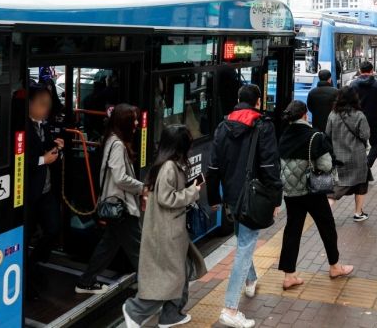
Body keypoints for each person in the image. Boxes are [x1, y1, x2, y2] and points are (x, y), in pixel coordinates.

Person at [207, 84, 282, 328]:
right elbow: (271, 166)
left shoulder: (223, 126)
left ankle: (250, 281)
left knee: (243, 238)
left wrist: (214, 198)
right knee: (245, 246)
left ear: (239, 100)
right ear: (258, 102)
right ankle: (230, 308)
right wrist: (276, 198)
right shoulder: (263, 126)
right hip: (253, 197)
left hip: (231, 195)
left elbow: (213, 167)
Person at [122, 125, 207, 328]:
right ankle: (134, 310)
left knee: (180, 272)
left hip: (170, 230)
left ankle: (171, 315)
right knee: (168, 278)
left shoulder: (165, 163)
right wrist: (193, 191)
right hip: (168, 231)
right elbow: (167, 198)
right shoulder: (169, 167)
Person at [277, 101, 353, 290]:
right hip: (312, 191)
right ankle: (335, 267)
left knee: (292, 231)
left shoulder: (284, 135)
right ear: (304, 115)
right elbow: (326, 166)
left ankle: (289, 276)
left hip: (291, 192)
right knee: (327, 227)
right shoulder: (315, 136)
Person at [76, 104, 145, 294]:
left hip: (116, 207)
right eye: (134, 119)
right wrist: (142, 188)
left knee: (108, 247)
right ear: (124, 122)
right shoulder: (117, 145)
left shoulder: (112, 140)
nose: (137, 123)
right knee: (139, 250)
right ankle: (153, 288)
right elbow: (120, 178)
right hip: (121, 207)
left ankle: (85, 281)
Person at [26, 82, 64, 299]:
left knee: (53, 229)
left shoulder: (45, 125)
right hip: (30, 192)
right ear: (29, 104)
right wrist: (43, 159)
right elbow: (18, 161)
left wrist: (57, 148)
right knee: (27, 233)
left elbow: (48, 152)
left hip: (46, 190)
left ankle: (34, 263)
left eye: (48, 105)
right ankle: (28, 273)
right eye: (42, 104)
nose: (46, 109)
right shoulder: (20, 127)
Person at [326, 87, 371, 221]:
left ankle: (326, 212)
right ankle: (358, 213)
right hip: (357, 157)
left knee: (338, 187)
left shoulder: (333, 115)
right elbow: (366, 134)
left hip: (338, 156)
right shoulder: (359, 115)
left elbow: (327, 134)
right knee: (361, 185)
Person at [350, 61, 377, 168]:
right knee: (376, 144)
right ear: (372, 71)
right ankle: (367, 165)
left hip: (356, 119)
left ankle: (359, 167)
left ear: (360, 71)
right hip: (373, 119)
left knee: (358, 143)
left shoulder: (353, 84)